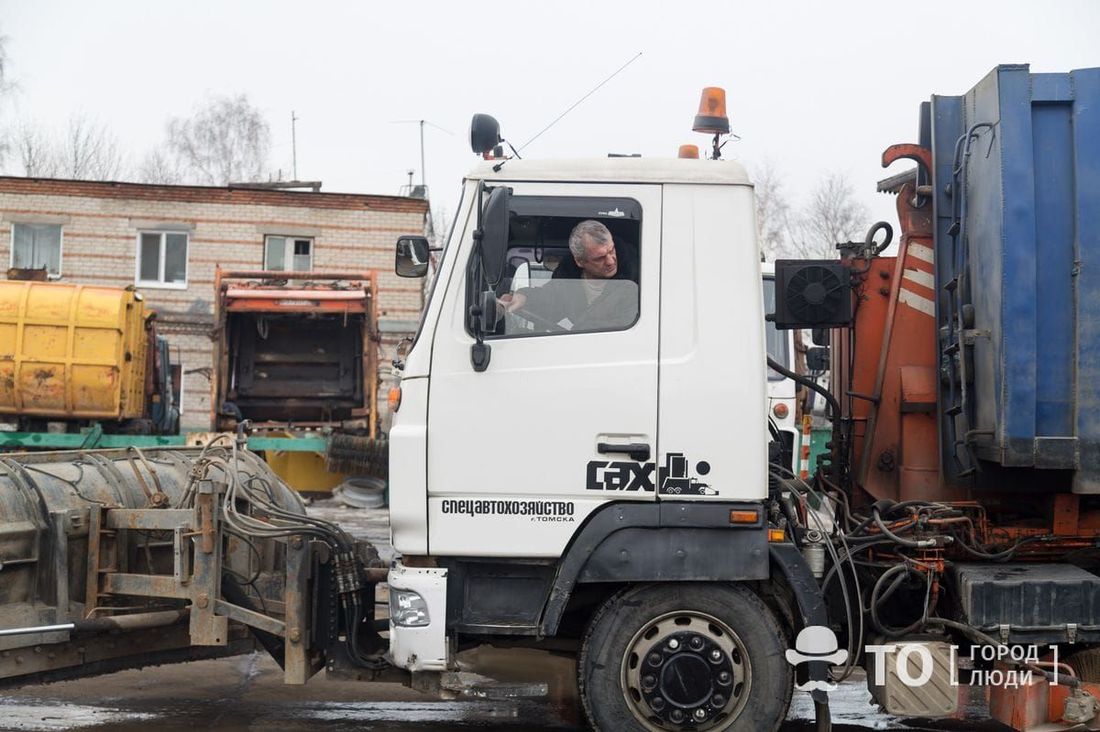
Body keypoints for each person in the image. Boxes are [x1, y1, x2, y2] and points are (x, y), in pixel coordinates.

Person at [500, 220, 639, 333]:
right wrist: (524, 298)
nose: (610, 261)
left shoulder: (636, 282)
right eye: (600, 258)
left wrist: (578, 330)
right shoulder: (568, 279)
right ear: (579, 261)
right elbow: (550, 298)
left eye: (611, 250)